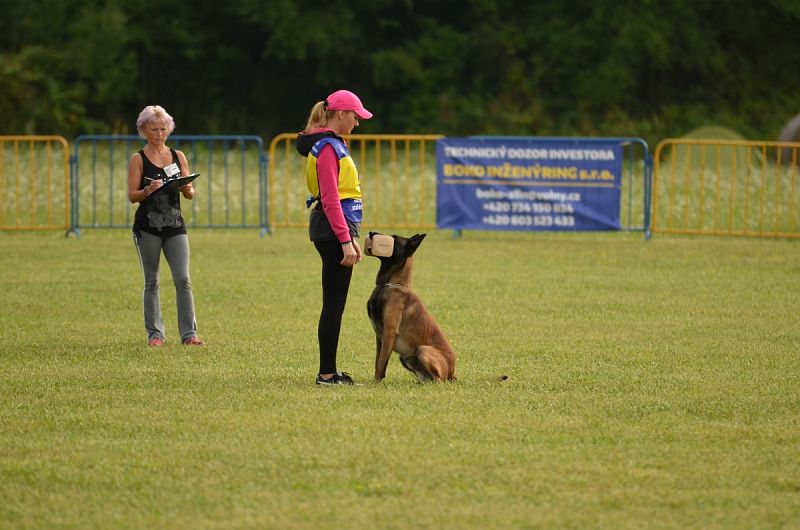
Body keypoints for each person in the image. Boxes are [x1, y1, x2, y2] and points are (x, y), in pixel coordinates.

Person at [296, 89, 373, 385]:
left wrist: (351, 235)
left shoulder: (334, 144)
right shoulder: (328, 147)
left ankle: (330, 370)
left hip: (336, 228)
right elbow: (329, 199)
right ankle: (326, 373)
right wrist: (345, 239)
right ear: (340, 114)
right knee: (333, 304)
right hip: (331, 230)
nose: (357, 122)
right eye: (355, 116)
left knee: (335, 303)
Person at [127, 105, 204, 347]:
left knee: (183, 279)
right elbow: (132, 196)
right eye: (154, 129)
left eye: (163, 129)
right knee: (152, 281)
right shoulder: (137, 158)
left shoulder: (178, 155)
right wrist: (146, 190)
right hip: (147, 228)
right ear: (143, 131)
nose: (159, 134)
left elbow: (190, 194)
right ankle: (156, 335)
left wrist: (188, 188)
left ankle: (189, 334)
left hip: (175, 226)